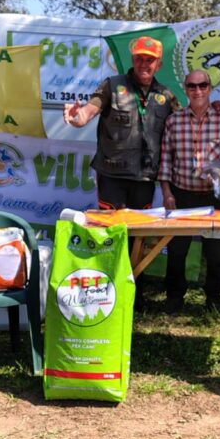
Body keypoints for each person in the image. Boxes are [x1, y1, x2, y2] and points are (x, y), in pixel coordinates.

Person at [65, 35, 179, 309]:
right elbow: (89, 111)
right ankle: (106, 290)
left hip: (144, 179)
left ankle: (133, 292)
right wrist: (77, 118)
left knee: (138, 238)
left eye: (149, 60)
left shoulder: (167, 96)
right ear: (133, 60)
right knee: (109, 234)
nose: (144, 64)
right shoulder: (112, 86)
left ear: (158, 64)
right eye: (140, 58)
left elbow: (185, 122)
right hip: (112, 177)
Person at [157, 70, 220, 311]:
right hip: (182, 193)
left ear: (210, 88)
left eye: (203, 85)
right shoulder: (174, 120)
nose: (198, 90)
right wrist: (167, 193)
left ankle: (213, 298)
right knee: (177, 249)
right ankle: (174, 296)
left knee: (215, 252)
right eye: (192, 86)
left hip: (214, 196)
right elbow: (165, 160)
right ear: (186, 89)